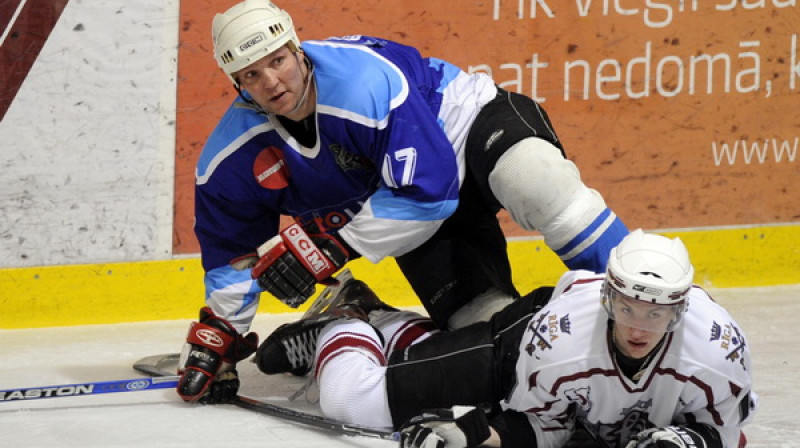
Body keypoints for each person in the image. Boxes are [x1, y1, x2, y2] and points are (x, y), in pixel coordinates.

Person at [177, 0, 629, 402]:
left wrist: (332, 245)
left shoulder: (361, 82)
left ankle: (658, 295)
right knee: (491, 340)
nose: (272, 82)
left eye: (277, 60)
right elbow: (229, 254)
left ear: (297, 48)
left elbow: (429, 190)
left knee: (536, 180)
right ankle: (363, 316)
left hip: (468, 128)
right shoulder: (232, 155)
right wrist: (223, 332)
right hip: (412, 209)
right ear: (235, 81)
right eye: (252, 74)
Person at [251, 229, 757, 448]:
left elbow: (727, 433)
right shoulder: (559, 342)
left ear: (681, 310)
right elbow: (544, 431)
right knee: (355, 402)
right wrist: (475, 434)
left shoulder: (718, 355)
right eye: (627, 307)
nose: (640, 327)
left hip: (561, 370)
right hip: (520, 342)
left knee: (421, 365)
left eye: (658, 313)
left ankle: (387, 322)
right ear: (607, 299)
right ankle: (349, 318)